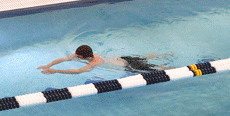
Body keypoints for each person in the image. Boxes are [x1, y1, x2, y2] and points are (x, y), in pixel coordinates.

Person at [38, 45, 169, 75]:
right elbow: (64, 58)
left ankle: (171, 69)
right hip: (122, 58)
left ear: (82, 56)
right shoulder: (88, 54)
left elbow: (78, 71)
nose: (74, 56)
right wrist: (48, 64)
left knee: (156, 69)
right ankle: (165, 54)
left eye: (77, 56)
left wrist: (56, 71)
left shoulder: (96, 62)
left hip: (128, 66)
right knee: (145, 57)